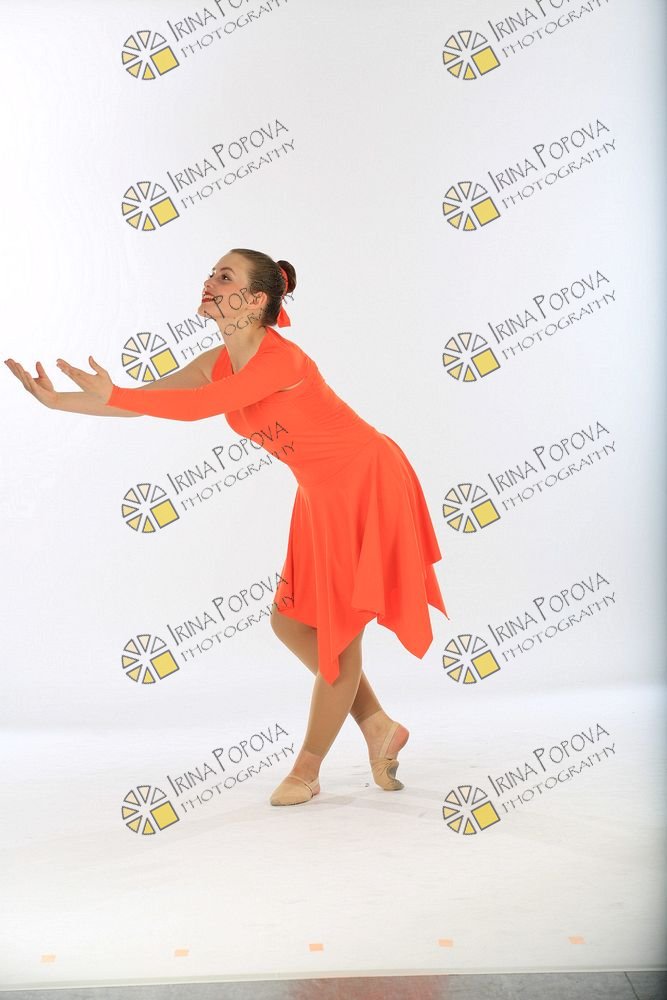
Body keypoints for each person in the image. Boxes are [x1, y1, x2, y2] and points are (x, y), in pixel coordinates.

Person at [4, 248, 450, 807]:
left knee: (339, 633)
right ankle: (379, 725)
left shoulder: (281, 361)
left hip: (365, 481)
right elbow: (148, 402)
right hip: (319, 495)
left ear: (256, 299)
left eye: (224, 276)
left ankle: (307, 768)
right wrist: (58, 402)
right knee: (291, 623)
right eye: (212, 273)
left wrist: (114, 391)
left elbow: (199, 407)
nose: (209, 282)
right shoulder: (221, 360)